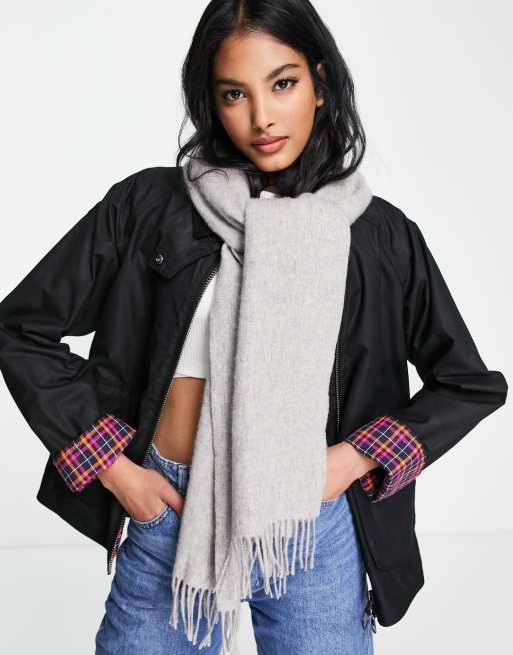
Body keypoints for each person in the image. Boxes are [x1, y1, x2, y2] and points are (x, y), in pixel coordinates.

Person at [0, 1, 507, 654]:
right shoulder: (150, 206)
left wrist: (350, 460)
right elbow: (21, 329)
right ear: (211, 103)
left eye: (282, 83)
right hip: (171, 515)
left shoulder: (378, 235)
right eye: (234, 94)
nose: (261, 117)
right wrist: (118, 472)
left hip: (314, 528)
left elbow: (466, 383)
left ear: (320, 84)